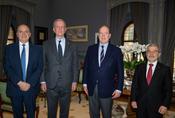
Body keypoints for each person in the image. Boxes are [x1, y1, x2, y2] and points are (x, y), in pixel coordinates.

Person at [83, 25, 124, 118]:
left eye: (106, 33)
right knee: (93, 114)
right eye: (101, 33)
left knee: (106, 114)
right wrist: (85, 83)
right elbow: (86, 67)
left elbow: (120, 71)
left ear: (109, 36)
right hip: (92, 87)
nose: (103, 35)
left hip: (108, 88)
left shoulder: (116, 51)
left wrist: (119, 89)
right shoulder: (91, 49)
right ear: (98, 35)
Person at [40, 18, 78, 118]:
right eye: (57, 26)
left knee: (64, 112)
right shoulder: (46, 44)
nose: (60, 29)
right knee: (51, 112)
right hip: (51, 83)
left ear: (65, 29)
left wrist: (74, 81)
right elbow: (43, 64)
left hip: (67, 83)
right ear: (53, 29)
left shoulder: (73, 46)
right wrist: (43, 81)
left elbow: (75, 65)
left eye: (62, 27)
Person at [3, 24, 43, 118]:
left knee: (31, 114)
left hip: (31, 88)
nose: (23, 34)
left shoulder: (38, 49)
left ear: (30, 34)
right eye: (21, 31)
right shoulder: (9, 49)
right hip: (15, 87)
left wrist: (29, 83)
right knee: (17, 114)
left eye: (26, 31)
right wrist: (19, 82)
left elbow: (39, 67)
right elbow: (7, 67)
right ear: (17, 34)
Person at [131, 44, 172, 118]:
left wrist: (165, 105)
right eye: (149, 51)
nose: (151, 54)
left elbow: (168, 90)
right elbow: (134, 85)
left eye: (154, 51)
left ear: (159, 54)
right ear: (146, 54)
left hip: (157, 107)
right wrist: (133, 99)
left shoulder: (165, 69)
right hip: (140, 105)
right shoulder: (139, 68)